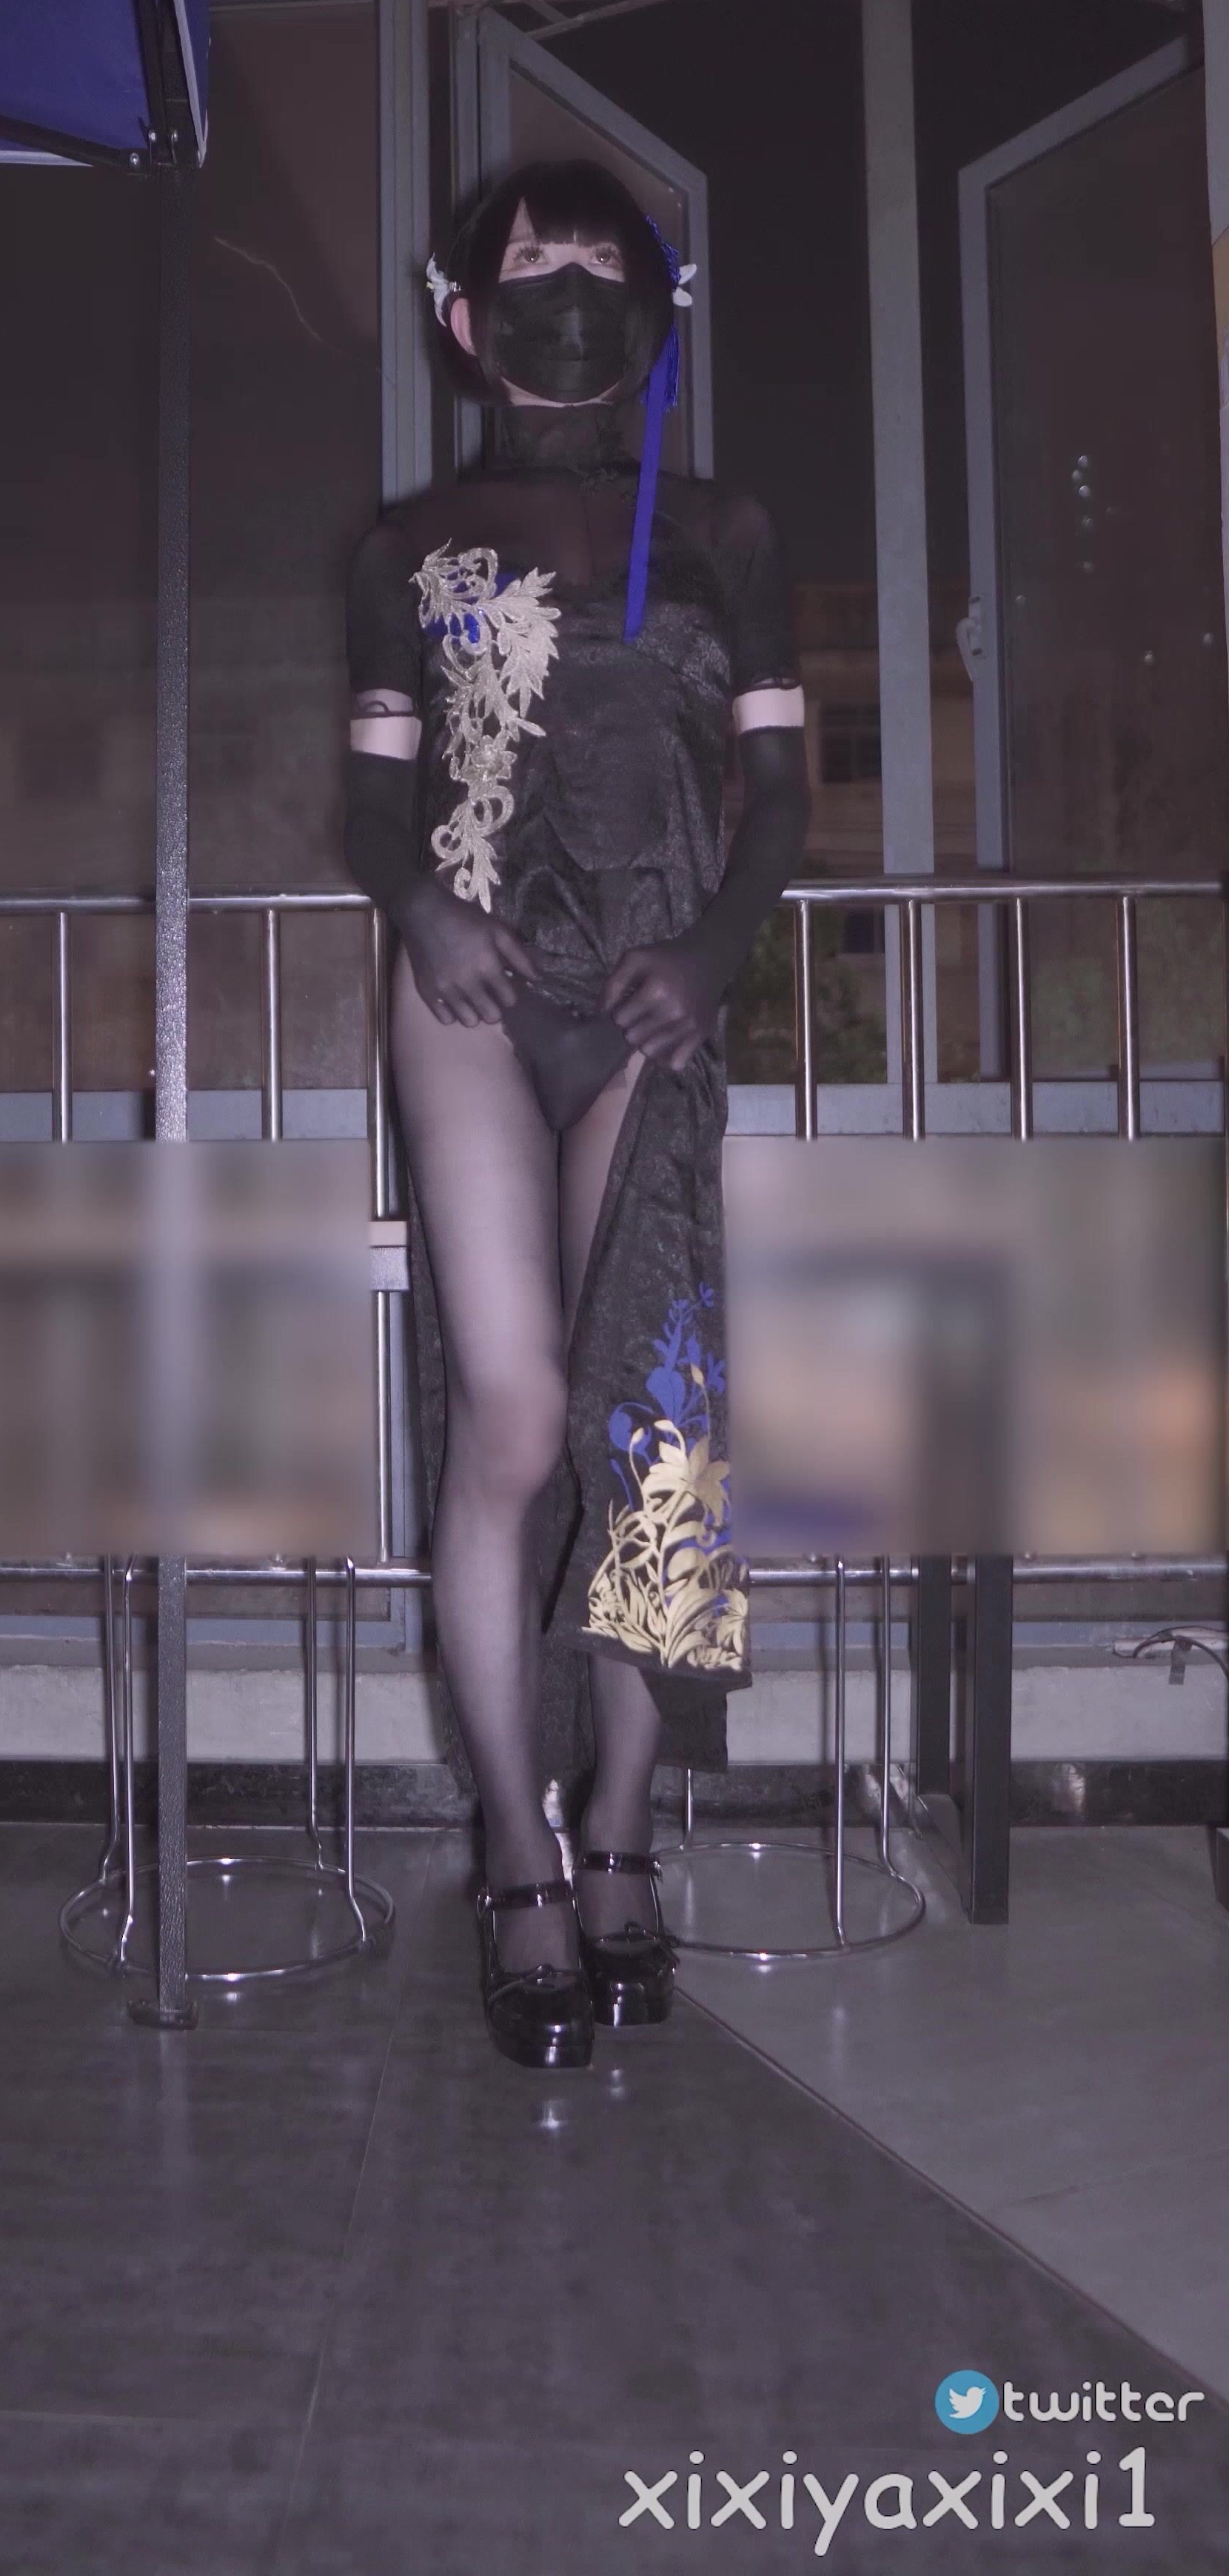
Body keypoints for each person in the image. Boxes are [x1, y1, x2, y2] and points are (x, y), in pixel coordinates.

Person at [343, 159, 809, 2068]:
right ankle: (516, 1847)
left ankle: (621, 1812)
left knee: (655, 1424)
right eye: (530, 266)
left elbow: (782, 794)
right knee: (519, 1415)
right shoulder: (406, 544)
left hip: (648, 983)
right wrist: (425, 908)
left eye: (601, 265)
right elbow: (374, 800)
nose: (565, 291)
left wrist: (714, 948)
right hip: (472, 980)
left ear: (654, 308)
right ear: (464, 317)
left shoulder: (725, 526)